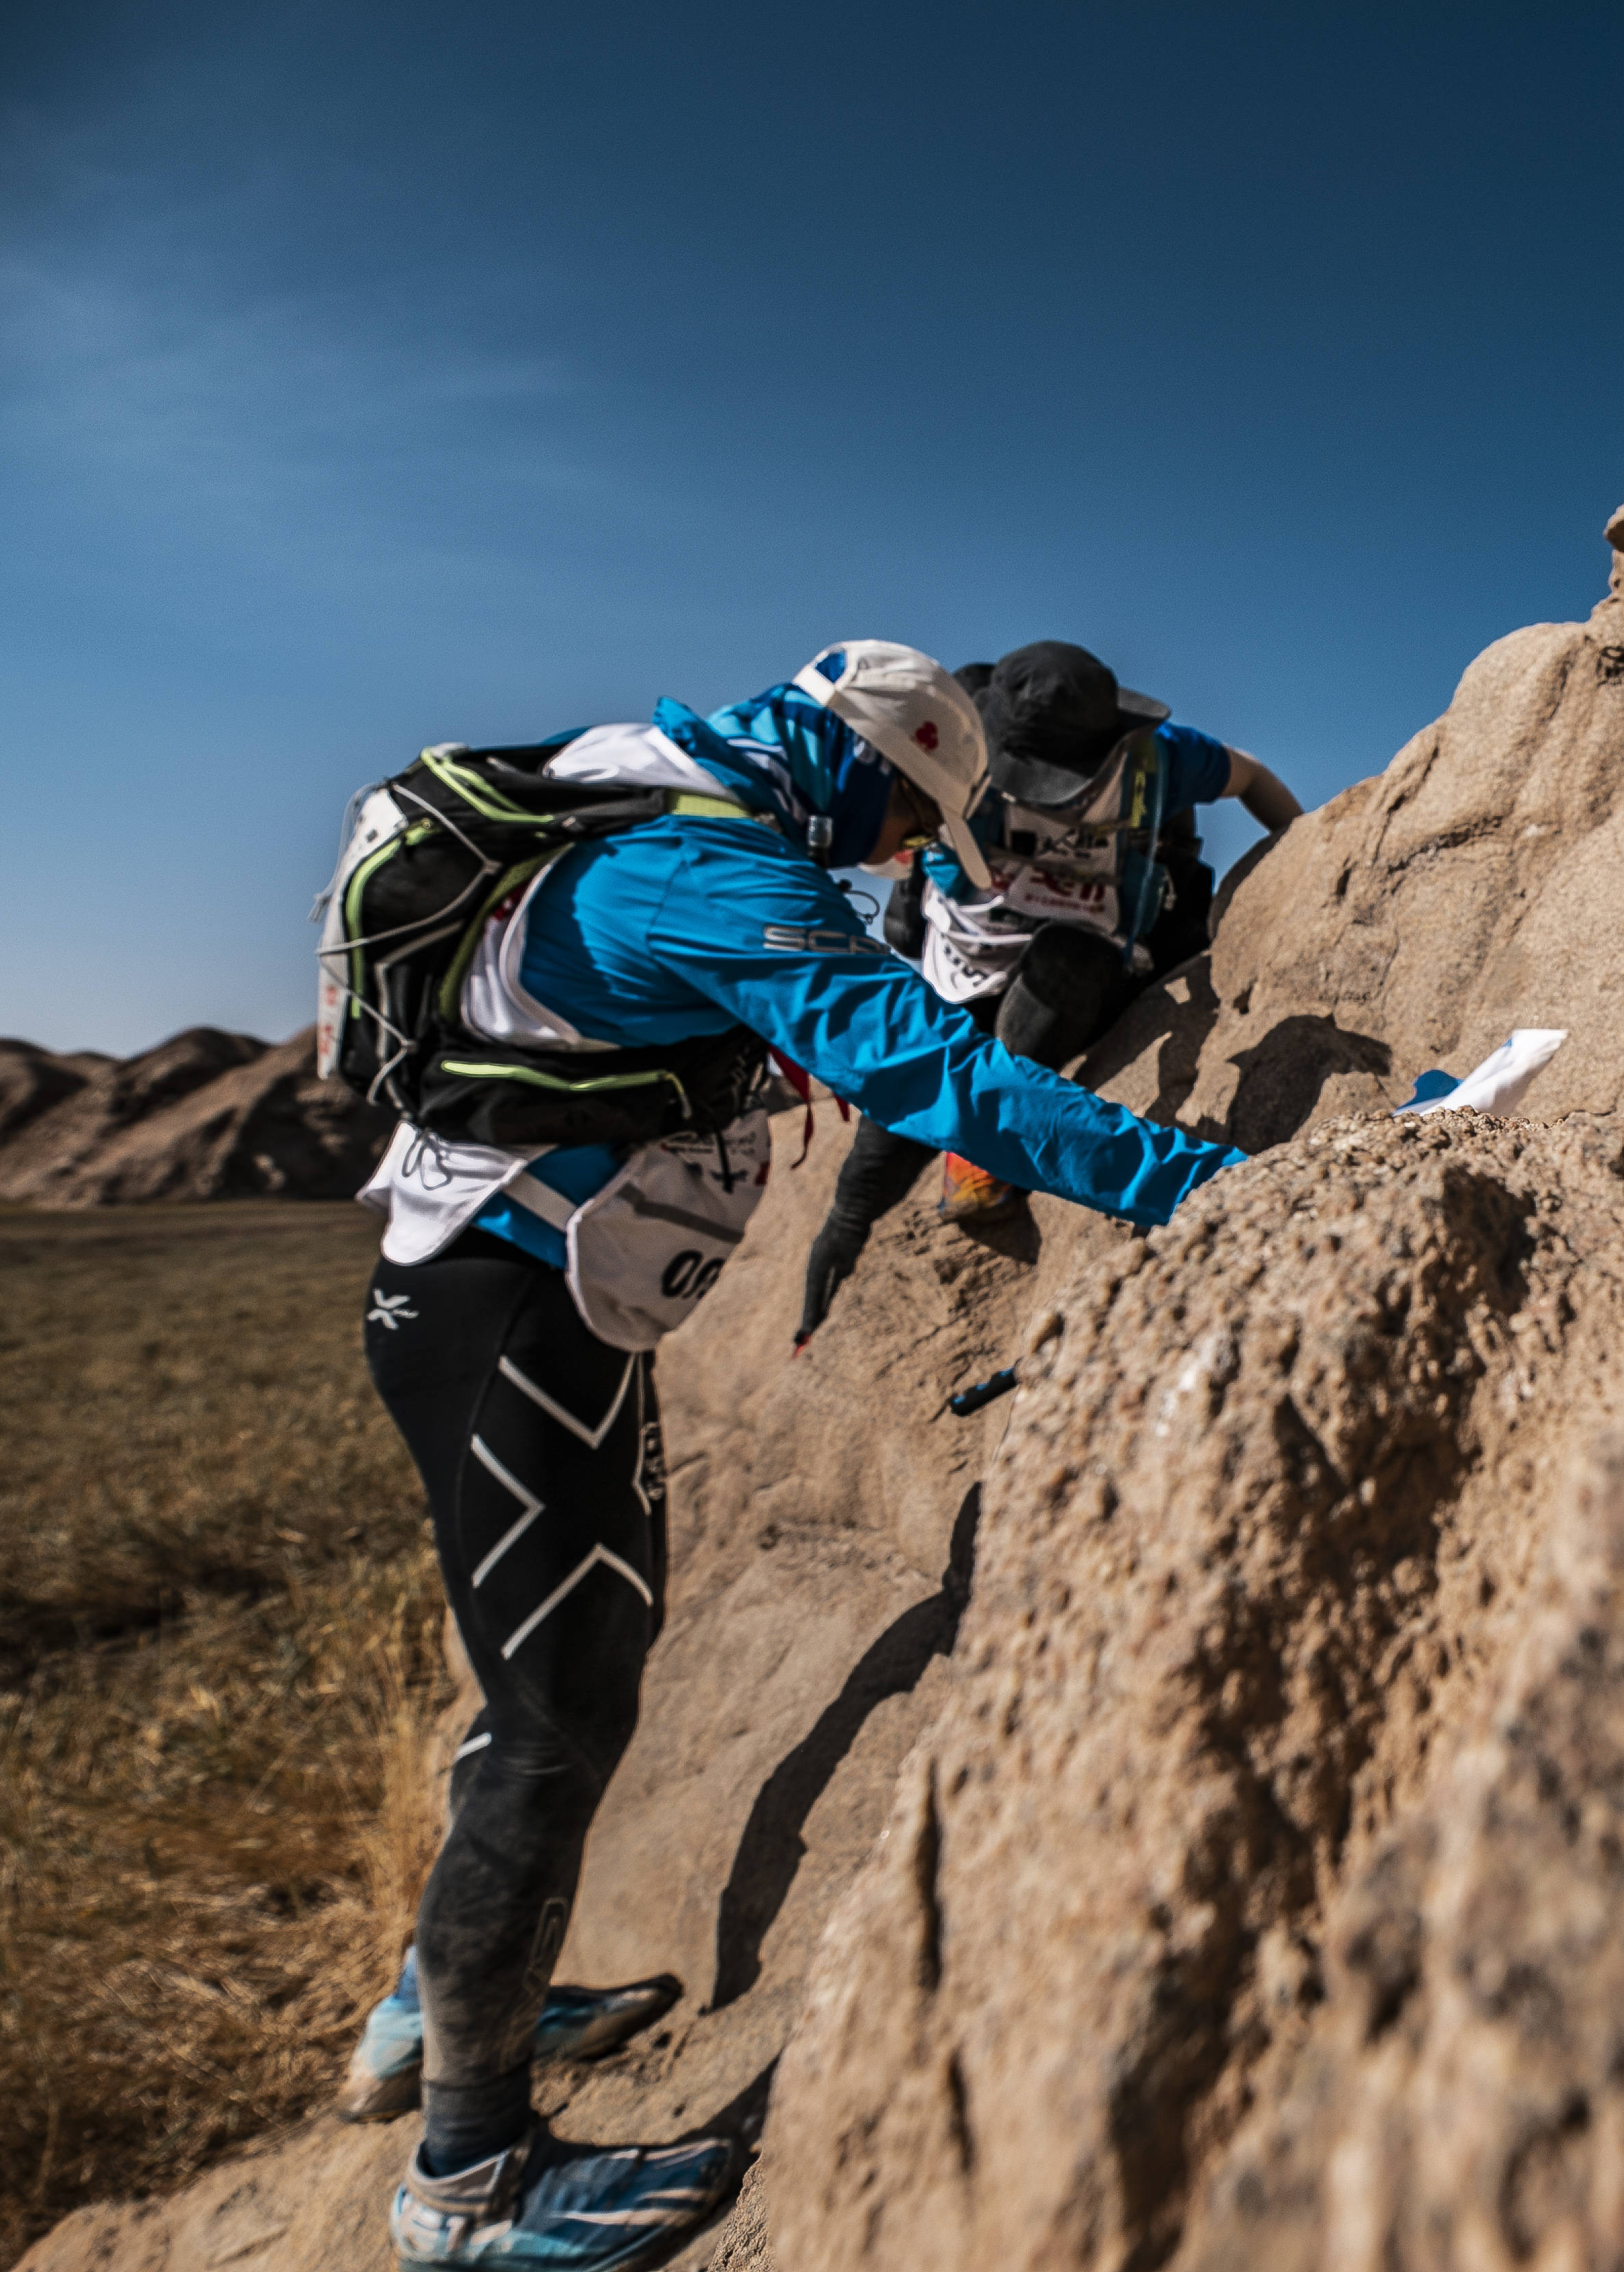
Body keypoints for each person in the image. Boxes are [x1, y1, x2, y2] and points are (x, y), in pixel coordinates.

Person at [351, 640, 1244, 2272]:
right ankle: (465, 2186)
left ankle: (444, 1999)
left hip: (515, 1306)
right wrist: (1203, 1186)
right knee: (559, 1723)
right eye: (915, 815)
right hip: (505, 1317)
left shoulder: (680, 806)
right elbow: (934, 1071)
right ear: (867, 761)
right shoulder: (702, 863)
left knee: (552, 1679)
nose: (910, 854)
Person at [793, 639, 1301, 1342]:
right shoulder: (945, 751)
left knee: (1060, 971)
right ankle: (834, 1255)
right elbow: (877, 847)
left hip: (1092, 955)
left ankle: (987, 1147)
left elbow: (1251, 777)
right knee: (892, 1123)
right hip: (961, 952)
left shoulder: (1152, 760)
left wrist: (1305, 850)